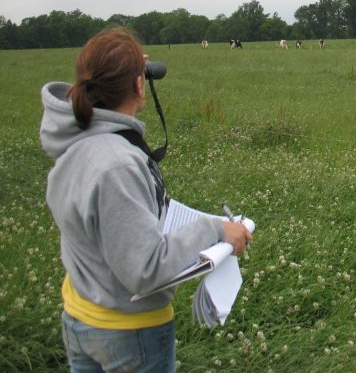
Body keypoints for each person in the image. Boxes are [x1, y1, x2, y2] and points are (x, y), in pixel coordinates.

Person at [40, 27, 252, 373]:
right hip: (126, 331)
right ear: (140, 86)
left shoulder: (75, 139)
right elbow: (145, 269)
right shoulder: (116, 165)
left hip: (80, 313)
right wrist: (215, 230)